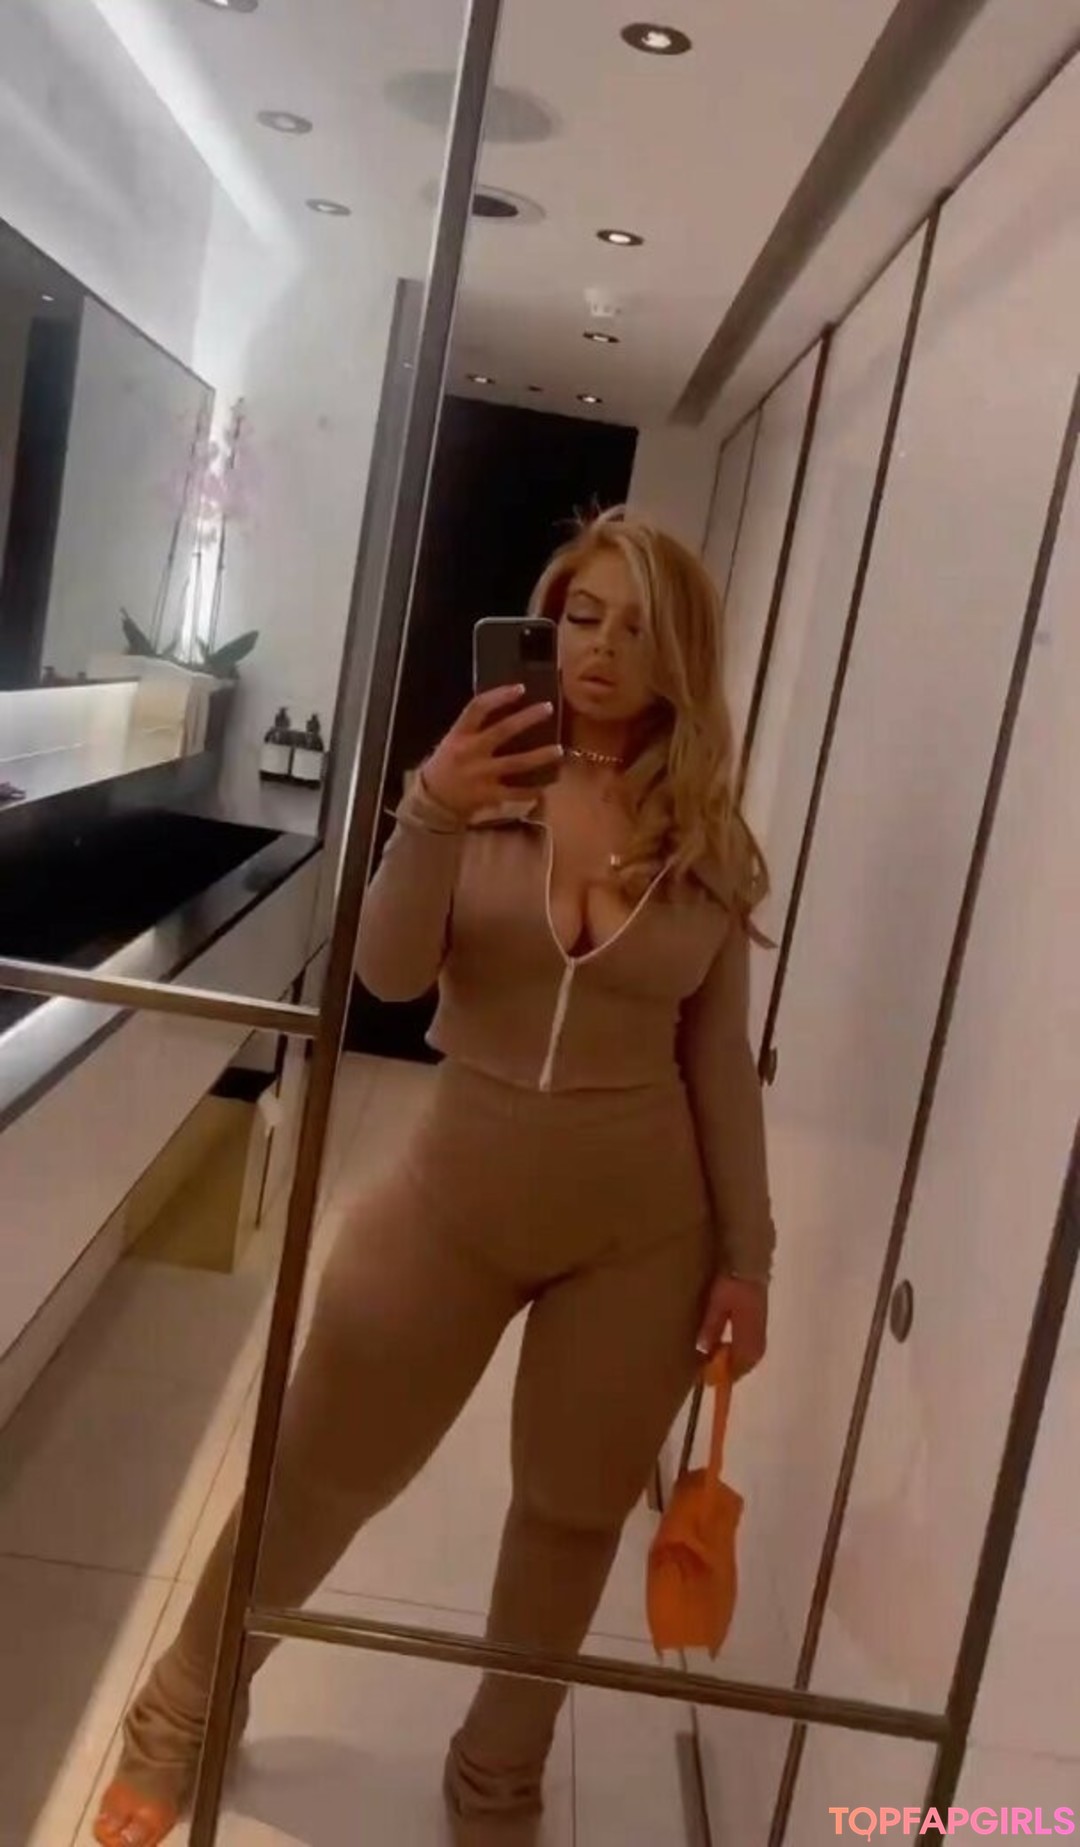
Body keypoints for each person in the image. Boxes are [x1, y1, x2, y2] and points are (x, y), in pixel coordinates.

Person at [95, 508, 776, 1847]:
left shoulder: (705, 836)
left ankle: (496, 1780)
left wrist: (748, 1258)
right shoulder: (482, 783)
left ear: (681, 657)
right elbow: (393, 977)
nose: (600, 650)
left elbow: (718, 1065)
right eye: (581, 617)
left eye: (639, 629)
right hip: (451, 1196)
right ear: (546, 626)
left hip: (642, 1232)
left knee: (571, 1520)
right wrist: (432, 810)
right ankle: (181, 1713)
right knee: (317, 1475)